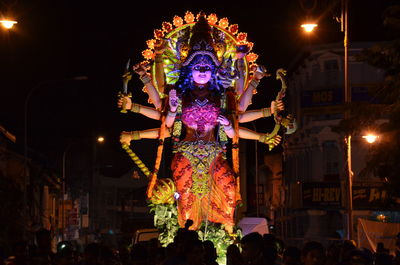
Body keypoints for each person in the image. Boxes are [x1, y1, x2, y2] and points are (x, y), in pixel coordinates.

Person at [118, 14, 285, 234]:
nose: (203, 72)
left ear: (214, 70)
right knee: (186, 198)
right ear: (189, 70)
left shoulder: (222, 97)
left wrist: (226, 123)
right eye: (198, 67)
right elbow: (166, 126)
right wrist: (173, 108)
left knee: (228, 190)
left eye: (207, 67)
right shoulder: (180, 95)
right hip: (185, 154)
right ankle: (186, 237)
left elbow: (232, 130)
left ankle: (225, 234)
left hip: (214, 153)